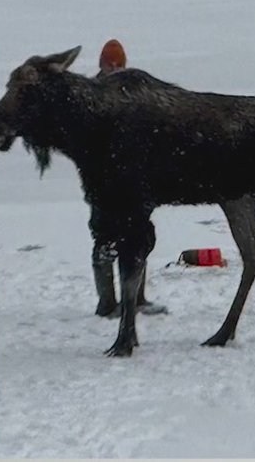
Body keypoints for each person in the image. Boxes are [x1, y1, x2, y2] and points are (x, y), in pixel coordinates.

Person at [90, 38, 166, 316]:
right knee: (103, 238)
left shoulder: (133, 92)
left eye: (118, 63)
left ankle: (137, 298)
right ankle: (107, 302)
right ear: (101, 64)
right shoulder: (91, 94)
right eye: (109, 63)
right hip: (102, 180)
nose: (113, 68)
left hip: (134, 178)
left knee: (139, 234)